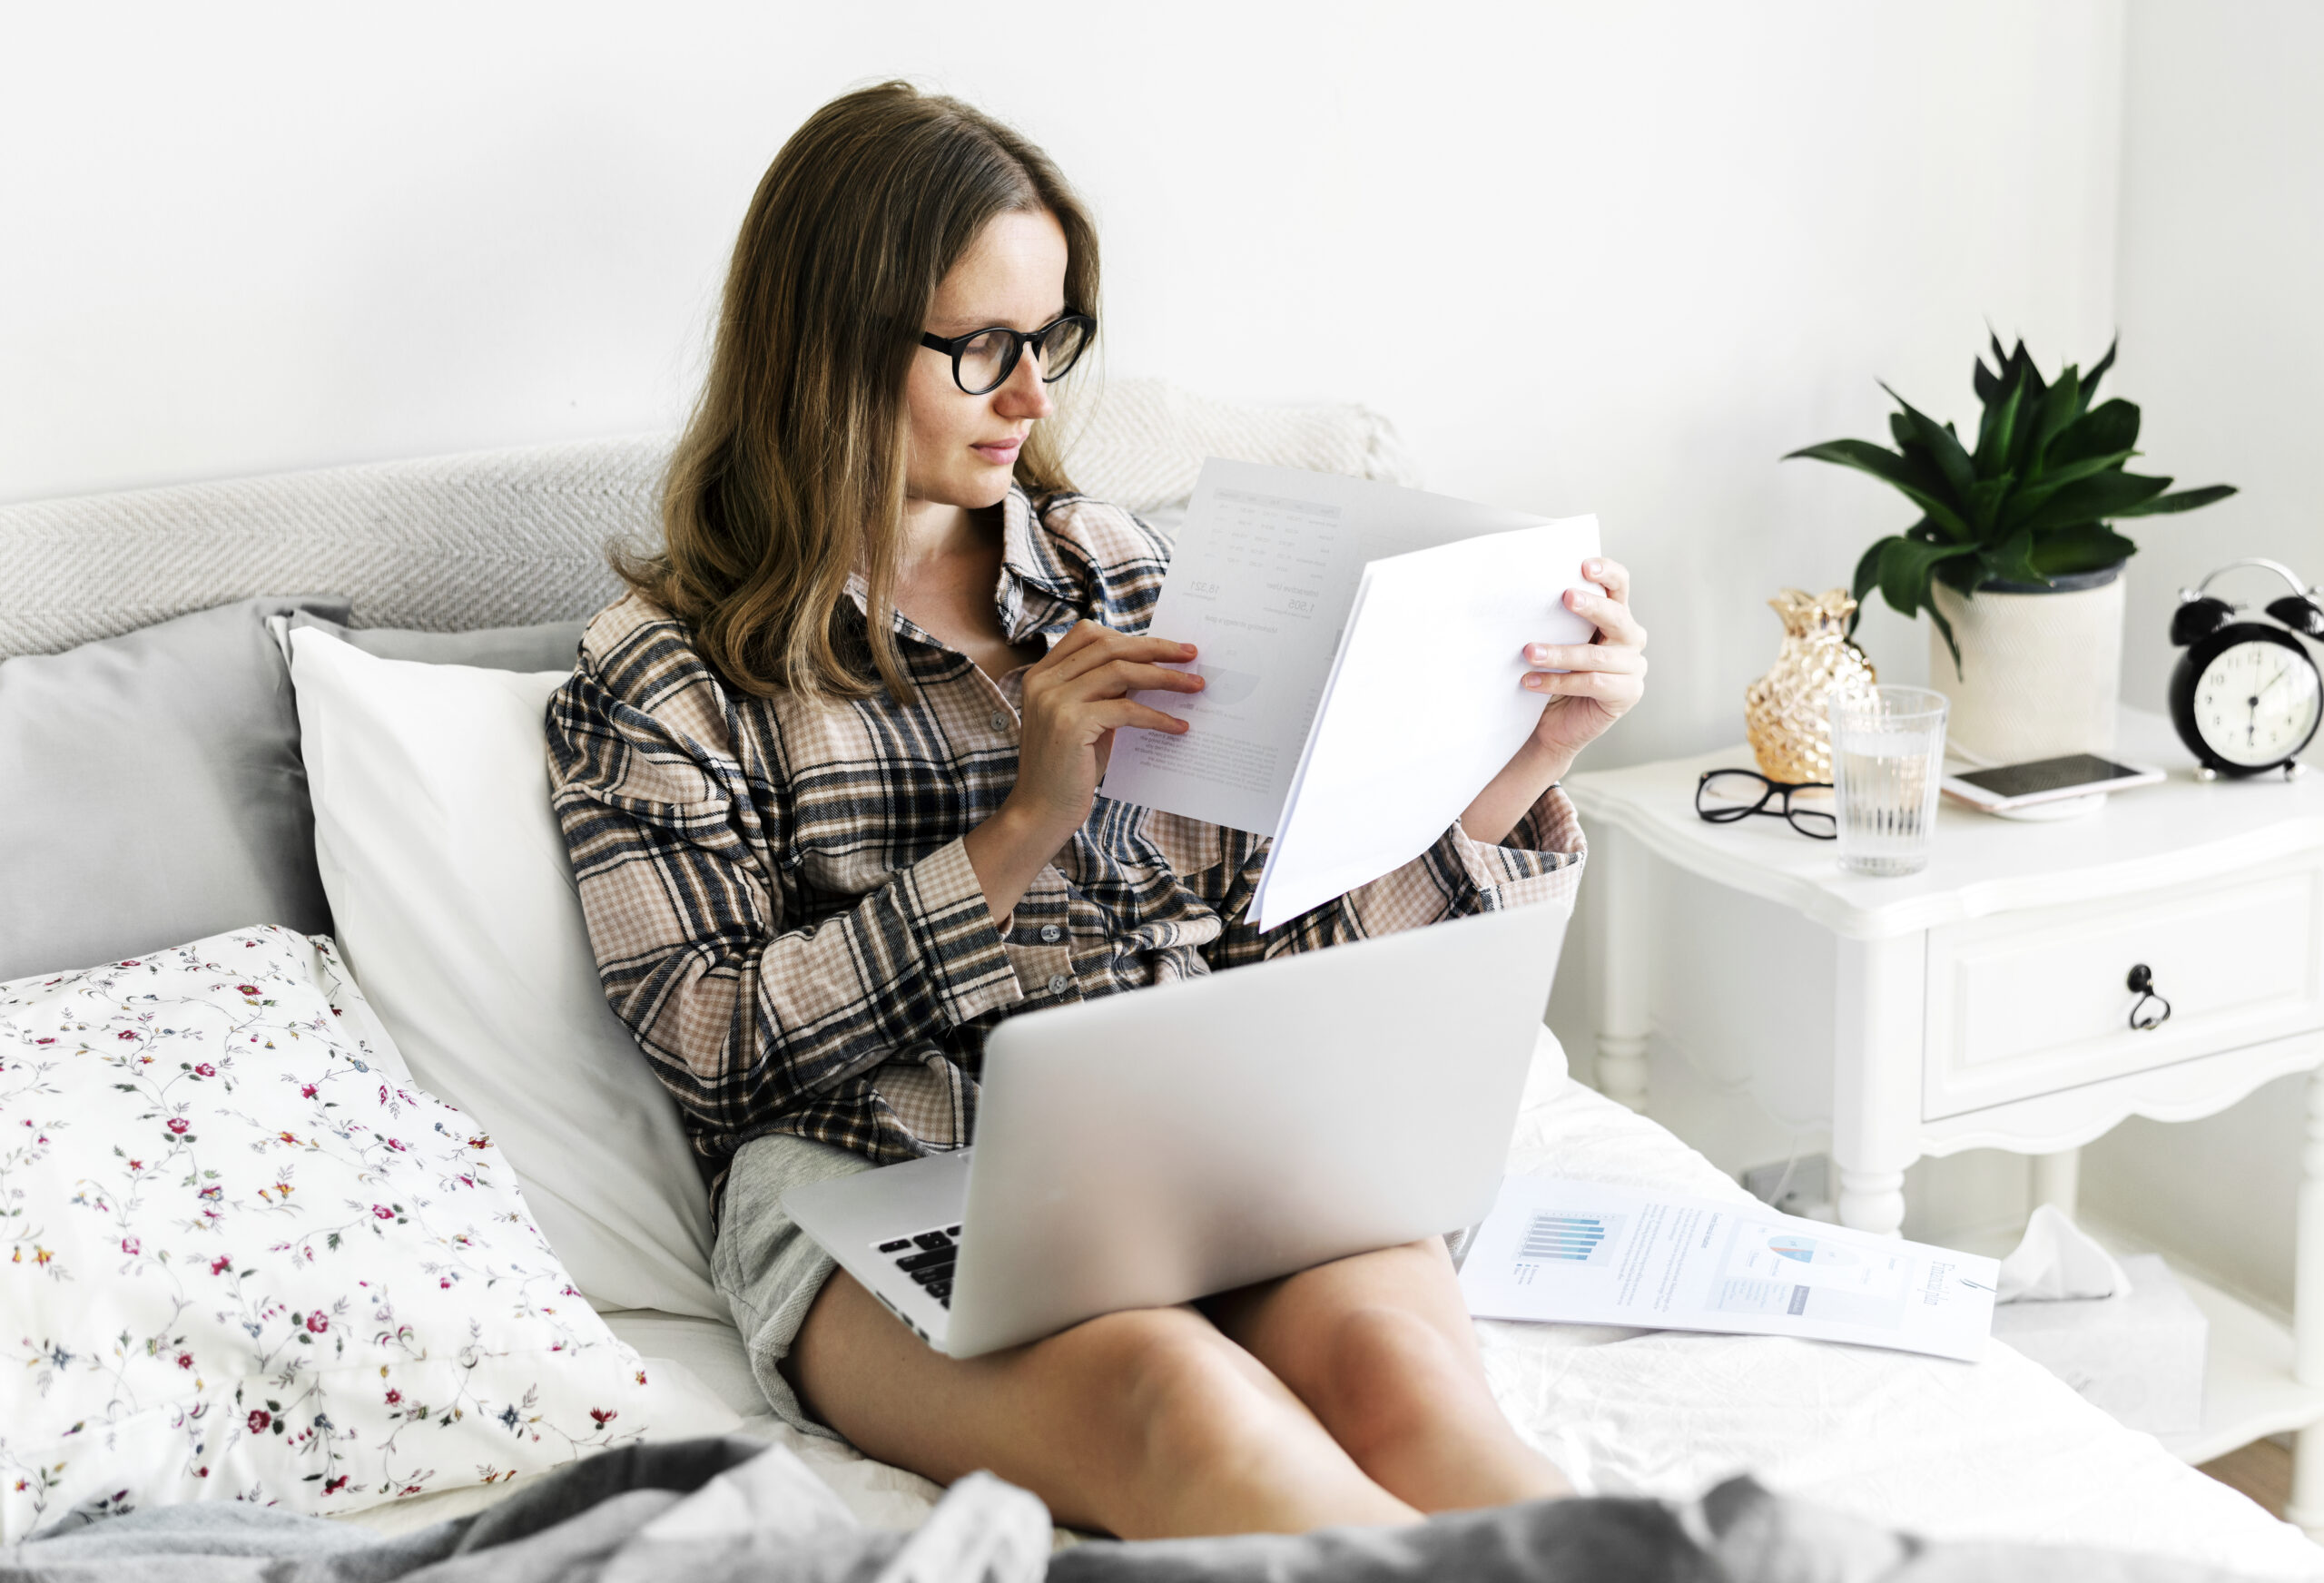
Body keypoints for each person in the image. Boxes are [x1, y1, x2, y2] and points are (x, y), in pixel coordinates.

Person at [547, 81, 1648, 1541]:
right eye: (984, 348)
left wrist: (1526, 766)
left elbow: (1285, 934)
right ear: (828, 344)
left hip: (1208, 1137)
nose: (1034, 398)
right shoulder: (664, 671)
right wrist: (1017, 832)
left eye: (1050, 339)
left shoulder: (1126, 569)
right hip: (880, 1178)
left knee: (1404, 1381)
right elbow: (717, 1052)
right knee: (1181, 1408)